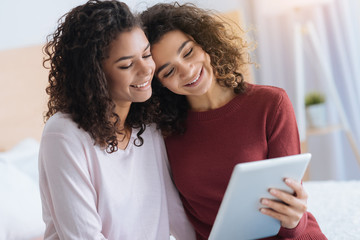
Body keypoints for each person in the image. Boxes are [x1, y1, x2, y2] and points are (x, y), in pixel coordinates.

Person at [140, 2, 327, 240]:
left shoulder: (271, 103)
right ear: (159, 84)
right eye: (168, 71)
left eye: (188, 52)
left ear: (205, 43)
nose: (187, 71)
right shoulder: (164, 132)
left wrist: (293, 220)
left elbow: (290, 210)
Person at [39, 1, 195, 239]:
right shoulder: (63, 134)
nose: (146, 70)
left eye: (146, 54)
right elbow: (83, 236)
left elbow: (173, 210)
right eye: (127, 64)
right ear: (95, 75)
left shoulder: (147, 124)